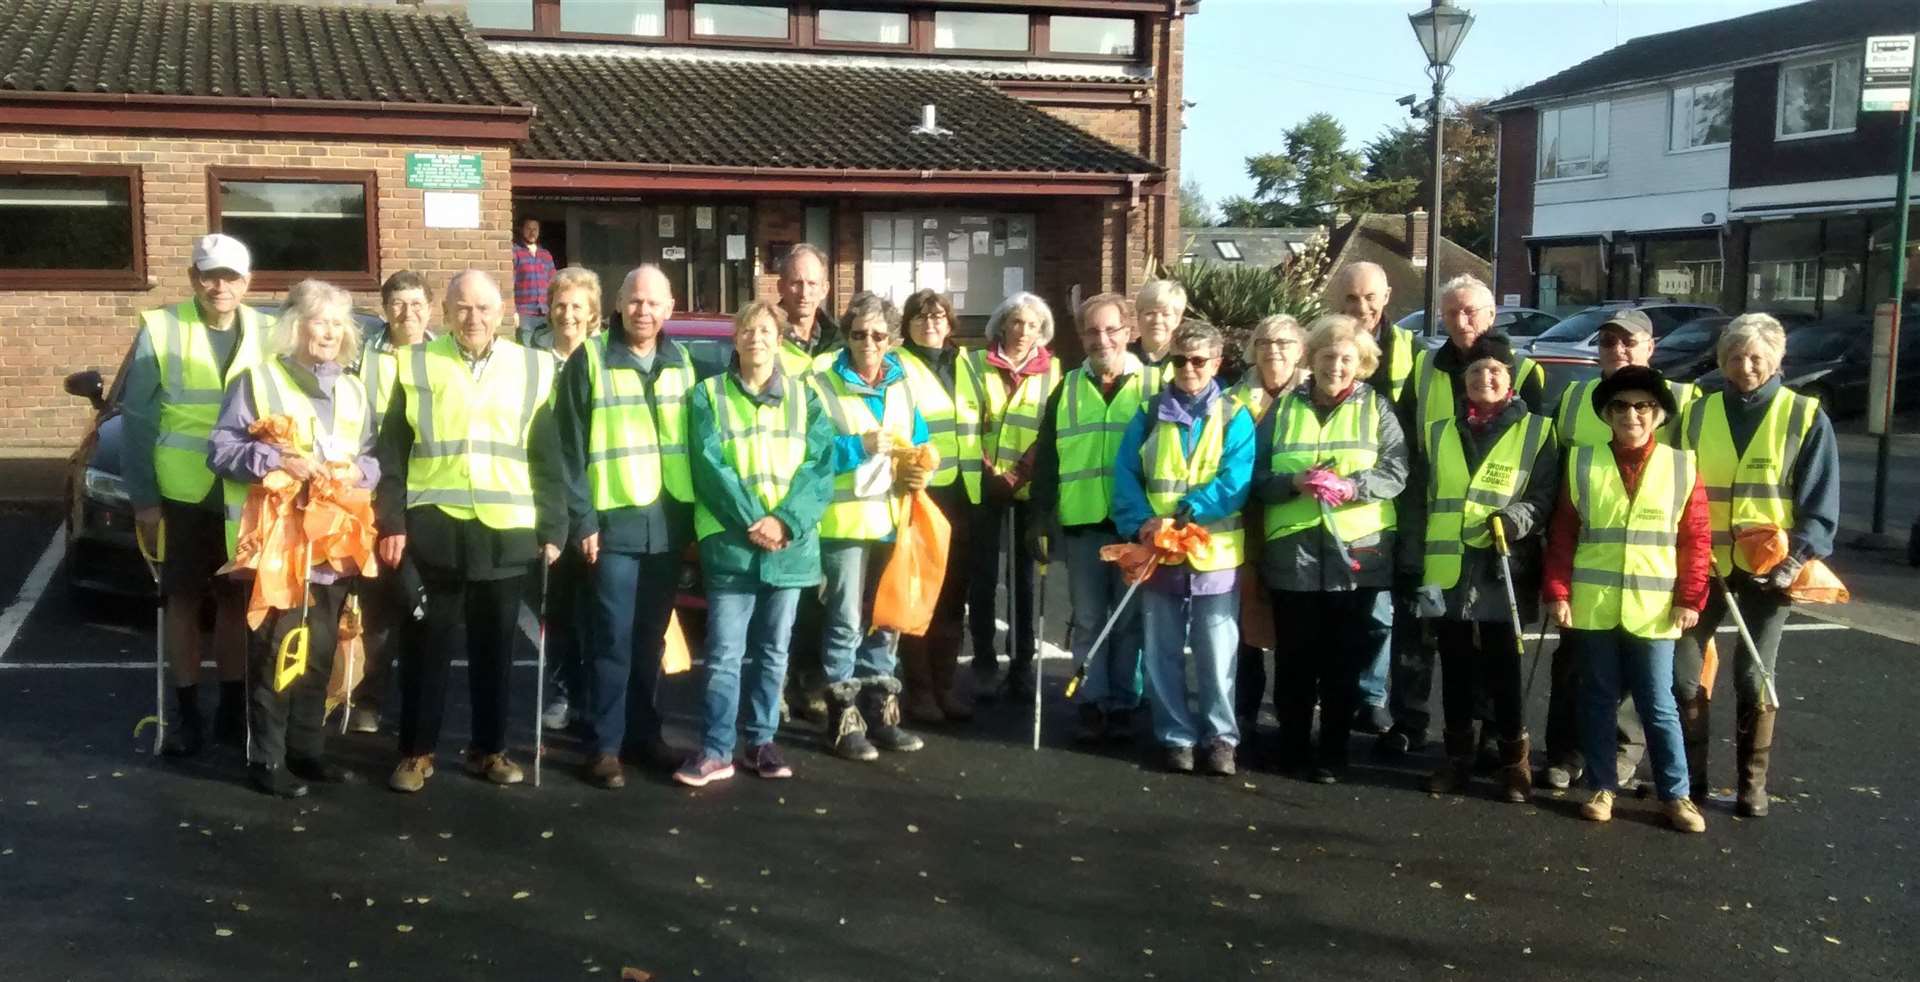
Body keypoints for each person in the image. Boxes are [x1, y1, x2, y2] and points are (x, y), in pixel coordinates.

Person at [375, 270, 566, 793]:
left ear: (502, 311)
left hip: (506, 530)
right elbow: (391, 452)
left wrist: (554, 525)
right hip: (434, 527)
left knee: (495, 650)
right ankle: (416, 753)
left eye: (483, 308)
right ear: (446, 313)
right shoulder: (414, 363)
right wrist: (390, 519)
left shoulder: (533, 367)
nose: (473, 318)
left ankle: (490, 750)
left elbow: (547, 457)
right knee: (425, 645)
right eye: (462, 308)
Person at [207, 279, 378, 797]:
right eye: (318, 320)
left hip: (334, 546)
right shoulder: (257, 381)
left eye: (336, 323)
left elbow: (371, 458)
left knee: (321, 653)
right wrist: (277, 459)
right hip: (281, 547)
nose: (328, 332)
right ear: (294, 326)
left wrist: (356, 475)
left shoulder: (352, 388)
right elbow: (219, 450)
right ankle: (267, 759)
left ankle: (308, 751)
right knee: (277, 652)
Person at [1672, 313, 1839, 818]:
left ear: (1777, 360)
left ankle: (1751, 787)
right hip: (1705, 565)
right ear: (1721, 361)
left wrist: (1796, 559)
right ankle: (1690, 783)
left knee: (1753, 674)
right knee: (1684, 673)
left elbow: (1820, 504)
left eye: (1756, 358)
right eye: (1735, 357)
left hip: (1770, 569)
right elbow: (1675, 485)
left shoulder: (1804, 417)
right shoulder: (1699, 414)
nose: (1745, 366)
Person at [121, 233, 272, 757]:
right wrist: (144, 497)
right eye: (209, 275)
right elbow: (137, 421)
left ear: (247, 282)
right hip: (180, 493)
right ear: (192, 278)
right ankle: (187, 716)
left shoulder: (269, 332)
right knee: (181, 604)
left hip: (245, 494)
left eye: (230, 276)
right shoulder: (160, 328)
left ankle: (233, 712)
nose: (220, 286)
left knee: (236, 603)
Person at [1385, 274, 1546, 760]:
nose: (1461, 321)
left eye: (1471, 311)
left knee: (1490, 647)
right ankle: (1410, 722)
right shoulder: (1424, 367)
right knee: (1420, 638)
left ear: (1492, 315)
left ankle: (1490, 737)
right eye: (1452, 312)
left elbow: (1533, 447)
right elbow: (1413, 454)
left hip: (1497, 541)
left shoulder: (1527, 370)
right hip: (1435, 533)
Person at [1543, 365, 1710, 833]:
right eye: (1619, 407)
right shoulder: (1583, 462)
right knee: (1597, 699)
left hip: (1655, 610)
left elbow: (1695, 538)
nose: (1630, 415)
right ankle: (1601, 787)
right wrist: (1557, 590)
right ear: (1606, 414)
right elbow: (1563, 534)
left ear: (1658, 415)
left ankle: (1675, 795)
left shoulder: (1681, 465)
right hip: (1594, 604)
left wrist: (1690, 597)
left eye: (1642, 406)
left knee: (1659, 703)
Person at [676, 301, 836, 787]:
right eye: (747, 329)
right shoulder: (707, 396)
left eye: (766, 330)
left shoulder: (806, 398)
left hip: (789, 548)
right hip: (733, 546)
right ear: (736, 339)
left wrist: (784, 522)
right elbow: (709, 468)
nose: (756, 338)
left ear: (780, 338)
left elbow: (820, 468)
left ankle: (762, 742)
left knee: (773, 652)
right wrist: (756, 522)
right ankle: (716, 749)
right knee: (724, 653)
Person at [556, 265, 699, 789]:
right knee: (610, 640)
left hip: (665, 525)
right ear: (618, 305)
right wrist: (583, 519)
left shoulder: (680, 362)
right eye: (634, 301)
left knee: (650, 641)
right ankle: (604, 745)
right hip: (611, 526)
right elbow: (567, 451)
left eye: (654, 303)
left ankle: (644, 735)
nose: (643, 311)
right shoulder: (588, 359)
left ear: (669, 308)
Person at [1255, 314, 1409, 784]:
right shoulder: (1281, 410)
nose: (1335, 366)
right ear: (1311, 359)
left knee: (1344, 660)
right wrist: (1292, 482)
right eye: (1327, 357)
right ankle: (1294, 746)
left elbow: (1397, 471)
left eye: (1346, 358)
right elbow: (1256, 476)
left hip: (1356, 557)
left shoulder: (1377, 409)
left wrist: (1353, 485)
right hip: (1294, 555)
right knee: (1296, 660)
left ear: (1361, 363)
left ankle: (1335, 751)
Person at [1412, 335, 1558, 802]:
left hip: (1503, 567)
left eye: (1495, 371)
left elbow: (1543, 498)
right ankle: (1457, 760)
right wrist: (1414, 564)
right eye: (1476, 372)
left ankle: (1513, 762)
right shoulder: (1439, 431)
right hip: (1448, 569)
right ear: (1464, 381)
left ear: (1510, 379)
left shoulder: (1538, 431)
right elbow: (1422, 499)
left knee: (1503, 669)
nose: (1485, 378)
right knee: (1455, 668)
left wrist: (1516, 520)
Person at [1112, 320, 1255, 775]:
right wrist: (1141, 525)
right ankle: (1175, 736)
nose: (1188, 369)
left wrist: (1186, 513)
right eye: (1180, 360)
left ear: (1216, 363)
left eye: (1198, 361)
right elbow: (1125, 478)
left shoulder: (1235, 415)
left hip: (1214, 557)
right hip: (1160, 554)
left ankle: (1220, 739)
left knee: (1217, 656)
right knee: (1162, 652)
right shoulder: (1149, 412)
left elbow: (1237, 480)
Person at [810, 293, 933, 761]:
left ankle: (881, 713)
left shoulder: (902, 385)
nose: (869, 343)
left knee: (887, 621)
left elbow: (919, 443)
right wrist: (857, 446)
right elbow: (811, 453)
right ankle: (843, 719)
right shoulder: (821, 384)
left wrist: (923, 467)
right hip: (843, 524)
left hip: (892, 521)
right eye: (859, 334)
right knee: (843, 623)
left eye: (879, 335)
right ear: (845, 336)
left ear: (893, 340)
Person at [1028, 293, 1151, 743]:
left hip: (1133, 526)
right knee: (1088, 619)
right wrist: (1040, 517)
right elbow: (1046, 459)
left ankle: (1124, 701)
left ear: (1129, 332)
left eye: (1111, 329)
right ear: (1080, 336)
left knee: (1129, 621)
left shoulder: (1152, 386)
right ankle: (1092, 702)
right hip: (1082, 525)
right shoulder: (1067, 387)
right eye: (1092, 331)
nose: (1102, 339)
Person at [957, 292, 1062, 703]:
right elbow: (965, 421)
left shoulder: (1054, 370)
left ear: (1042, 331)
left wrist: (1018, 474)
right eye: (1016, 322)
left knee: (1022, 582)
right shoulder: (973, 363)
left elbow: (1049, 430)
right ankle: (983, 658)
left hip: (1027, 487)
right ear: (1001, 324)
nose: (1022, 331)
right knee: (981, 577)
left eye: (1032, 325)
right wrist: (990, 473)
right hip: (983, 484)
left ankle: (1021, 663)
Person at [344, 270, 436, 735]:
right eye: (398, 304)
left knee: (421, 603)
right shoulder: (361, 355)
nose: (408, 313)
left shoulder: (443, 355)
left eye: (417, 303)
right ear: (384, 310)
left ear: (431, 308)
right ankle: (369, 699)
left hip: (430, 493)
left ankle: (423, 708)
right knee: (377, 604)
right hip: (373, 495)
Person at [1330, 262, 1417, 740]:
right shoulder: (1322, 346)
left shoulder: (1411, 350)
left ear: (1386, 296)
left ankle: (1373, 697)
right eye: (1350, 299)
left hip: (1386, 498)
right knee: (1335, 614)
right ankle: (1338, 693)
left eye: (1369, 297)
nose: (1361, 308)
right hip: (1329, 505)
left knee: (1380, 614)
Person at [894, 289, 975, 723]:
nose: (931, 323)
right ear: (907, 325)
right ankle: (919, 691)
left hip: (965, 495)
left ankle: (946, 688)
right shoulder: (898, 366)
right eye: (921, 317)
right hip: (922, 493)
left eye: (939, 316)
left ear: (950, 324)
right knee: (919, 593)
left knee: (952, 598)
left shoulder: (966, 364)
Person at [533, 266, 605, 738]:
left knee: (599, 612)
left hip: (600, 507)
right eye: (560, 304)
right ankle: (563, 690)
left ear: (593, 314)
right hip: (551, 507)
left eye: (578, 306)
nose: (568, 314)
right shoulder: (532, 362)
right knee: (557, 611)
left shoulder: (604, 360)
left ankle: (596, 697)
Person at [1228, 315, 1307, 736]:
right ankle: (1245, 708)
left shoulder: (1316, 393)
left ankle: (1293, 711)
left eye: (1283, 342)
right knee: (1246, 620)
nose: (1273, 350)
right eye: (1263, 341)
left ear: (1300, 350)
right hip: (1248, 520)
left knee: (1296, 621)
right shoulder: (1232, 398)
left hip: (1298, 519)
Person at [777, 243, 840, 378]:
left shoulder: (840, 343)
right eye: (796, 283)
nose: (804, 293)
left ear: (824, 289)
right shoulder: (763, 337)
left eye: (812, 284)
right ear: (780, 287)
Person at [1131, 279, 1185, 394]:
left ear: (1177, 320)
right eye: (1150, 313)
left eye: (1166, 314)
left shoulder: (1186, 361)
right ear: (1138, 317)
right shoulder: (1122, 357)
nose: (1157, 320)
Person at [511, 217, 557, 320]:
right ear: (522, 230)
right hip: (524, 313)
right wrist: (513, 312)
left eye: (535, 229)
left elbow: (554, 284)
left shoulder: (546, 254)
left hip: (545, 312)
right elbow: (509, 284)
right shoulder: (515, 253)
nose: (532, 232)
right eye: (528, 229)